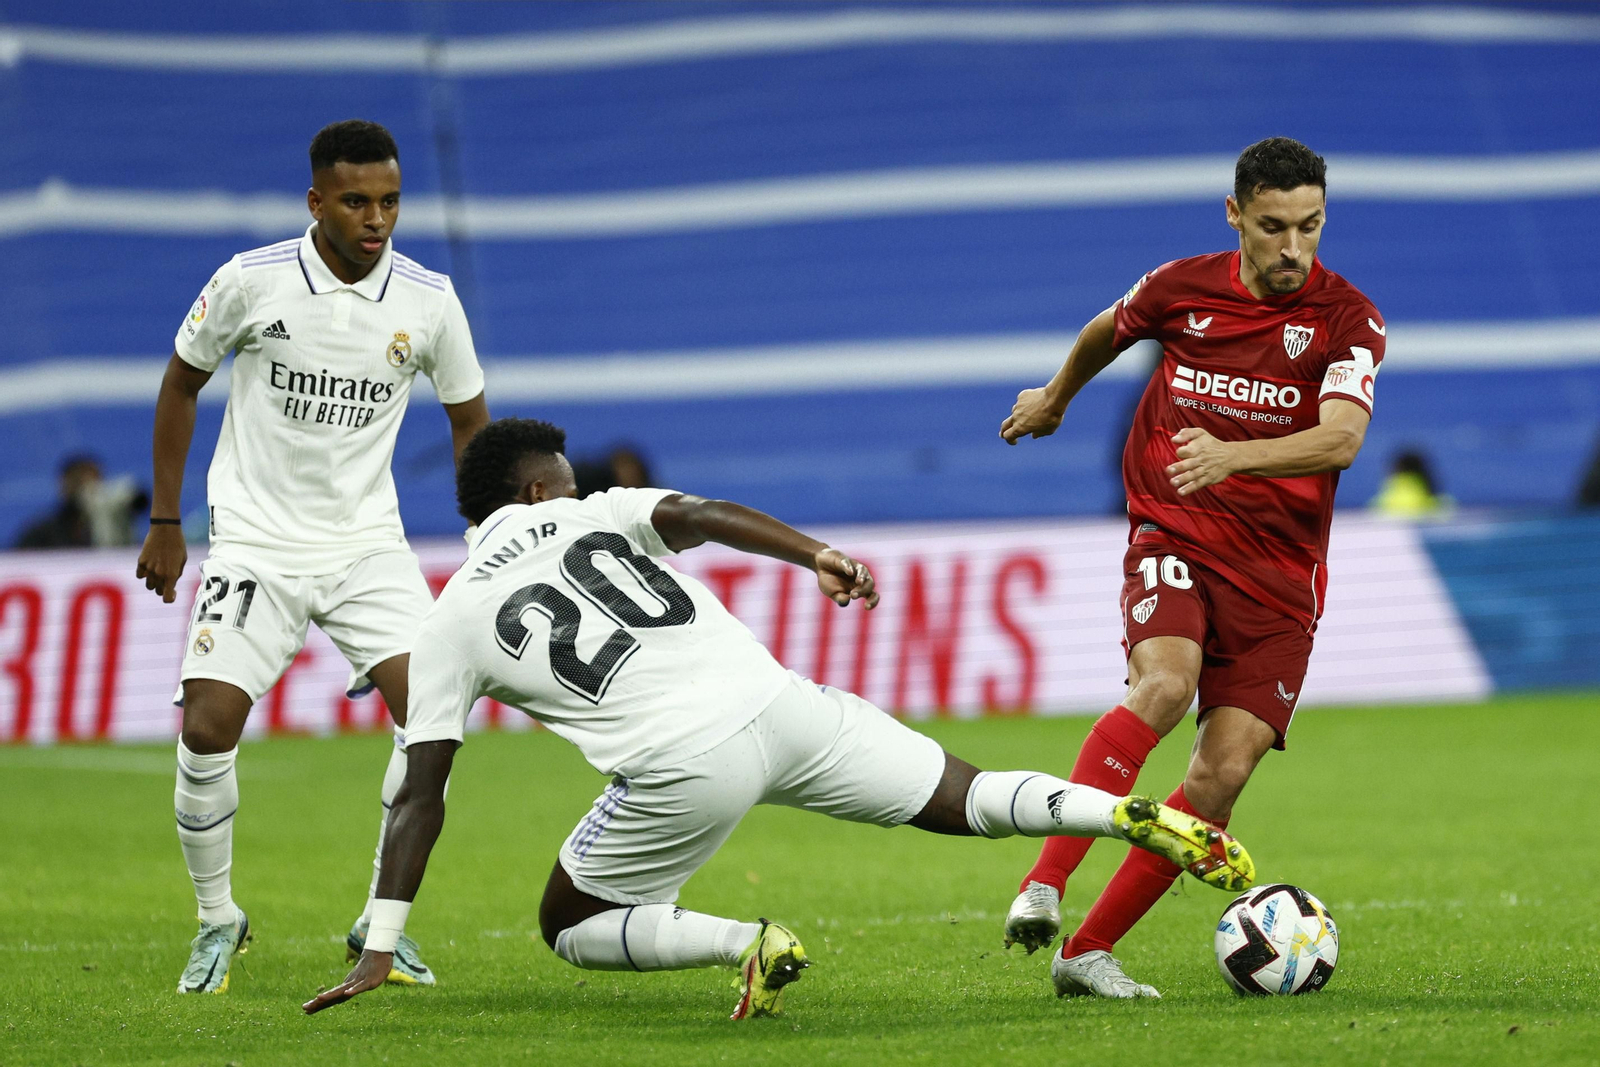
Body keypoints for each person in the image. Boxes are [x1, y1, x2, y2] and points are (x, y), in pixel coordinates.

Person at [301, 418, 1255, 1020]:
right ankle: (1112, 809)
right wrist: (816, 554)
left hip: (680, 766)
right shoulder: (596, 516)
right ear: (538, 491)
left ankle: (743, 942)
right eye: (568, 481)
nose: (580, 492)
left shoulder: (448, 621)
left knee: (568, 920)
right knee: (962, 794)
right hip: (778, 700)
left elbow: (421, 793)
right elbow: (707, 513)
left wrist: (382, 940)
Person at [997, 137, 1384, 999]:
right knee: (1164, 687)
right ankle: (1045, 883)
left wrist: (1237, 456)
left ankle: (1085, 955)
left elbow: (1344, 439)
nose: (1294, 249)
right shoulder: (1181, 287)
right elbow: (1108, 328)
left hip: (1280, 576)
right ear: (1235, 214)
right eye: (1275, 227)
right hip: (1174, 534)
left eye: (1312, 227)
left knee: (1224, 772)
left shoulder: (1348, 320)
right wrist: (1057, 396)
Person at [135, 119, 491, 994]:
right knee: (207, 727)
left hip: (368, 543)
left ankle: (382, 922)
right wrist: (166, 518)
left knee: (432, 721)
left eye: (391, 201)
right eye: (358, 200)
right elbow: (182, 380)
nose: (378, 218)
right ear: (317, 201)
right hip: (256, 538)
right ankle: (219, 920)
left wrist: (488, 540)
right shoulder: (250, 281)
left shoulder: (429, 299)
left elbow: (470, 418)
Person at [14, 455, 149, 549]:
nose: (86, 488)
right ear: (63, 485)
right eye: (78, 481)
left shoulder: (117, 526)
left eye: (93, 481)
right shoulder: (41, 533)